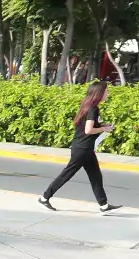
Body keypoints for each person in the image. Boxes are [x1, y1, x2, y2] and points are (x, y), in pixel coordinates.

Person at [38, 83, 118, 213]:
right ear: (99, 93)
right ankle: (45, 197)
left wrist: (103, 125)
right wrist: (104, 128)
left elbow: (88, 126)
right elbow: (88, 130)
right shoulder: (93, 109)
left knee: (95, 175)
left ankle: (104, 205)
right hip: (82, 148)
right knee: (67, 173)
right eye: (106, 91)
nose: (108, 93)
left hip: (85, 148)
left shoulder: (89, 107)